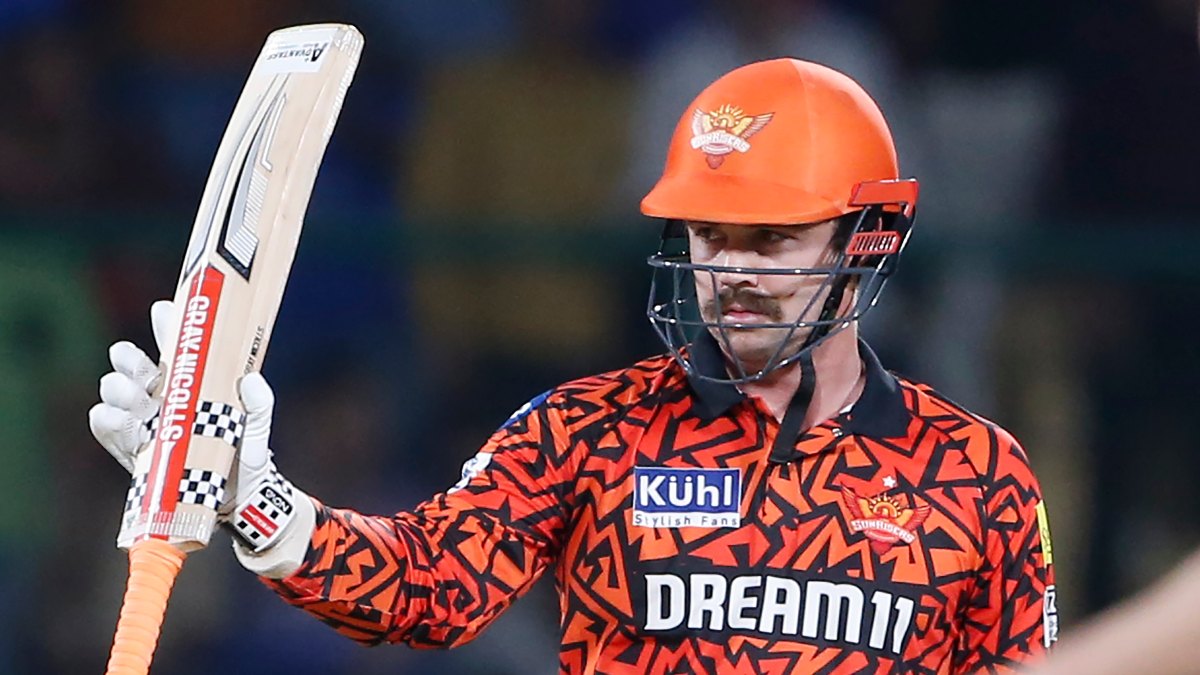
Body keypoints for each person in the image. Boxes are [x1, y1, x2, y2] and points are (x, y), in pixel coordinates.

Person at [89, 59, 1056, 673]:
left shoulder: (979, 474)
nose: (730, 272)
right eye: (709, 234)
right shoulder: (588, 429)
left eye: (771, 238)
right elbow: (425, 586)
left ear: (869, 237)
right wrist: (254, 496)